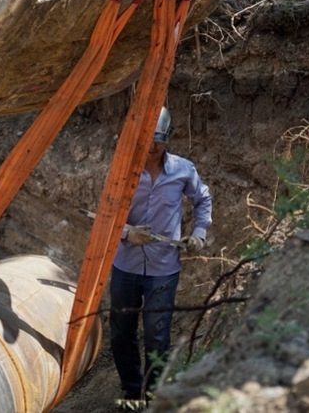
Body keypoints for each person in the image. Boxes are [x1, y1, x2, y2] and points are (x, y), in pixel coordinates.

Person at [110, 106, 213, 399]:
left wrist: (199, 233)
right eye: (148, 140)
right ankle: (131, 393)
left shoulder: (183, 170)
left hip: (163, 269)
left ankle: (155, 396)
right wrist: (128, 232)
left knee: (157, 337)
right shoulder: (122, 170)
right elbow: (107, 214)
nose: (153, 147)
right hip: (126, 266)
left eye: (159, 140)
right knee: (121, 332)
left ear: (168, 138)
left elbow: (203, 200)